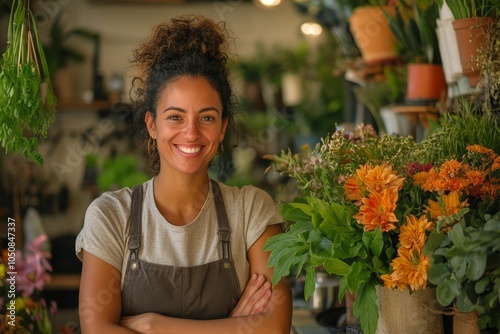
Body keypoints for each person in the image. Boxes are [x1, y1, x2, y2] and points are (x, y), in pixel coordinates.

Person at [75, 14, 293, 333]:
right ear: (152, 124)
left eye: (206, 118)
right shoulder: (110, 216)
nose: (191, 133)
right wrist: (235, 326)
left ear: (222, 128)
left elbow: (274, 328)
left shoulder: (252, 211)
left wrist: (154, 326)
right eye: (175, 117)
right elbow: (97, 330)